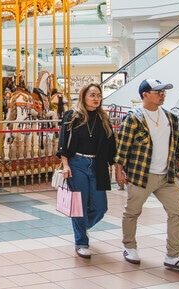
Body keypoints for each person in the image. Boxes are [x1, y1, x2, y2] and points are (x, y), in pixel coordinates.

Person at [114, 79, 179, 273]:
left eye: (164, 91)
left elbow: (177, 146)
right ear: (145, 94)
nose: (162, 94)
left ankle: (174, 255)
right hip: (141, 175)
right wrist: (119, 171)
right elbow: (123, 147)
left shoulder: (170, 117)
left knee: (177, 212)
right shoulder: (134, 118)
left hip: (167, 175)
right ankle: (129, 246)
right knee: (132, 212)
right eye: (158, 91)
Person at [57, 83, 117, 259]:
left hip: (97, 164)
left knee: (100, 207)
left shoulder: (103, 119)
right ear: (84, 96)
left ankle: (82, 227)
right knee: (79, 205)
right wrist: (65, 164)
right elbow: (63, 141)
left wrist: (118, 167)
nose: (96, 98)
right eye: (92, 95)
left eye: (98, 95)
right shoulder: (72, 116)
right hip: (77, 163)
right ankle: (81, 241)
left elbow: (111, 144)